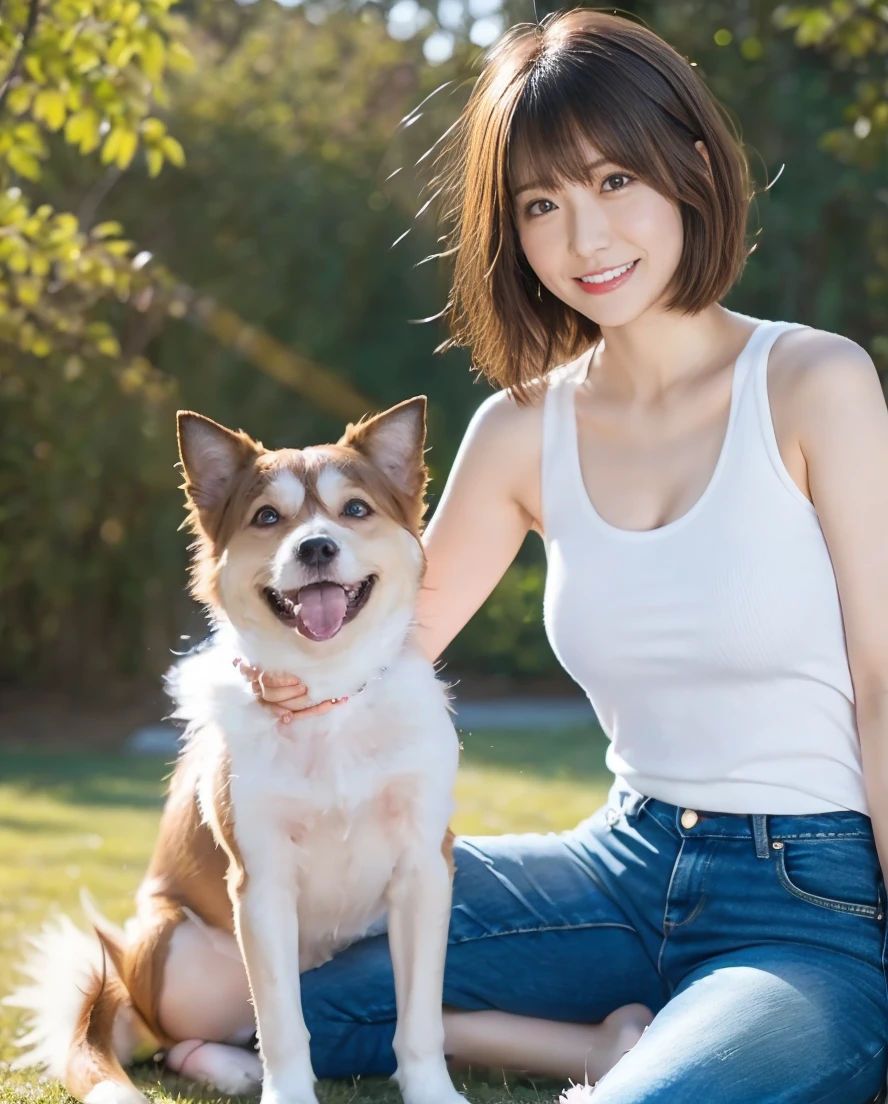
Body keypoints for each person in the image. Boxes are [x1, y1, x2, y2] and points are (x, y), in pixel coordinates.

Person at [239, 9, 888, 1101]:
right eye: (542, 203)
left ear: (688, 167)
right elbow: (392, 643)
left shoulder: (815, 384)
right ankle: (586, 1044)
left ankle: (639, 1062)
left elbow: (883, 683)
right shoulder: (518, 429)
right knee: (253, 1000)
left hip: (807, 900)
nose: (585, 239)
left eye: (614, 181)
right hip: (620, 867)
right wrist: (281, 677)